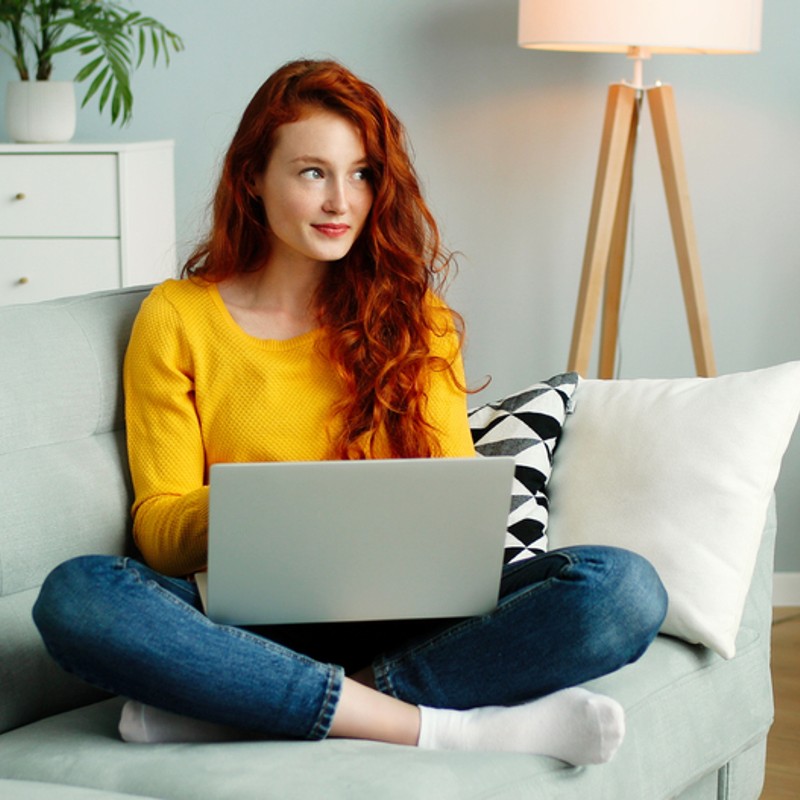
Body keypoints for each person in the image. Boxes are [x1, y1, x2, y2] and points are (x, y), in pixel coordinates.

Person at [33, 58, 667, 765]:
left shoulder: (414, 317)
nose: (342, 201)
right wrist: (271, 503)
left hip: (406, 621)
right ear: (253, 178)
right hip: (243, 623)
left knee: (623, 590)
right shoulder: (178, 317)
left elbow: (459, 511)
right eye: (312, 173)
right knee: (78, 596)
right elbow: (159, 535)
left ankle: (260, 706)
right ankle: (435, 726)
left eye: (361, 173)